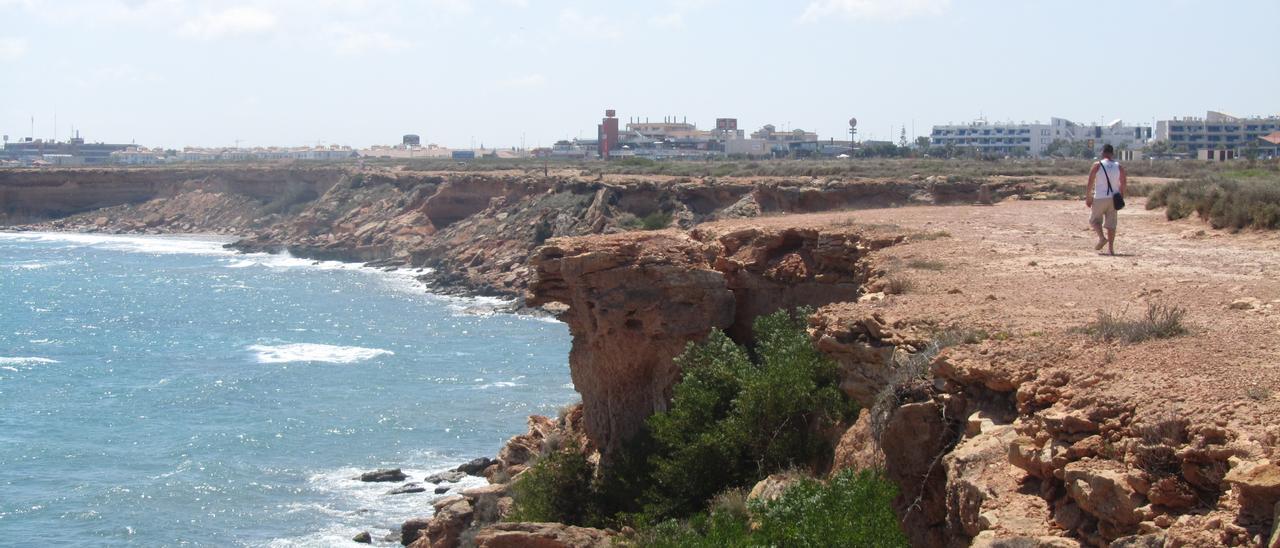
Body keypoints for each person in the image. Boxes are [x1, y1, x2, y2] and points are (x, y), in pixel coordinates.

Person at [1085, 144, 1127, 255]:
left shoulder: (1097, 165)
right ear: (1112, 153)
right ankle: (1111, 249)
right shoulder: (1119, 166)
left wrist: (1088, 197)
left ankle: (1102, 237)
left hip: (1099, 197)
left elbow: (1090, 182)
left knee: (1094, 220)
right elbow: (1123, 183)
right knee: (1111, 225)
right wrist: (1121, 196)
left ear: (1102, 152)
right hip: (1114, 198)